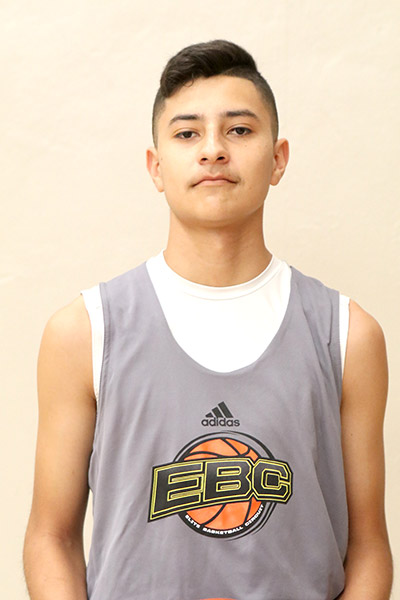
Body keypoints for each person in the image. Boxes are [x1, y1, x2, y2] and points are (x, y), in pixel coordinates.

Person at [23, 39, 393, 599]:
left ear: (278, 159)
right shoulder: (84, 332)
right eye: (187, 133)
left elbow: (368, 547)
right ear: (156, 167)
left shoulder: (347, 334)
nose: (214, 150)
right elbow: (50, 537)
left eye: (239, 130)